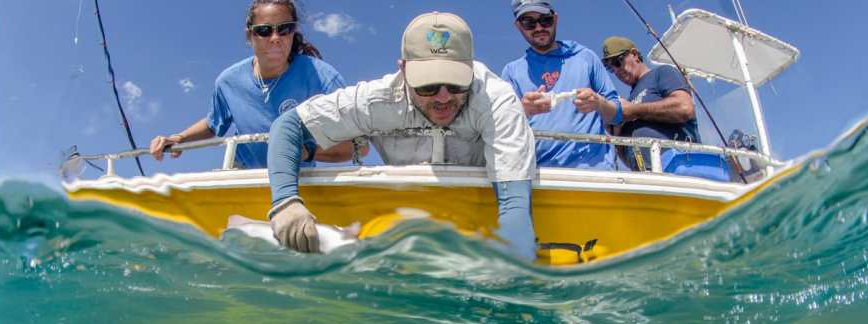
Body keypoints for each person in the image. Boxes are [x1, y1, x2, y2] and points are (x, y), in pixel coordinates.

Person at [266, 11, 538, 261]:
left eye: (455, 84)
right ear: (404, 69)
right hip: (404, 229)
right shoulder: (374, 99)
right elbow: (289, 126)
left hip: (478, 219)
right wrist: (285, 202)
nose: (443, 97)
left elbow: (514, 205)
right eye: (428, 86)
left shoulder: (497, 100)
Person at [149, 0, 352, 169]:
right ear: (249, 36)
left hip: (297, 178)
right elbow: (213, 124)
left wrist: (304, 152)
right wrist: (179, 138)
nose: (275, 39)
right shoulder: (228, 81)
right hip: (242, 174)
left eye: (284, 29)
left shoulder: (322, 77)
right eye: (264, 31)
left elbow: (355, 146)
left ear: (293, 31)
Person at [501, 0, 623, 169]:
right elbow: (502, 128)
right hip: (539, 174)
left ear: (555, 19)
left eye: (545, 20)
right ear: (518, 26)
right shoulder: (511, 72)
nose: (538, 28)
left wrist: (598, 103)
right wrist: (523, 110)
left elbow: (616, 115)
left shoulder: (586, 57)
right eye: (529, 22)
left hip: (595, 171)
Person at [601, 36, 701, 171]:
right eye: (610, 67)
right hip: (648, 178)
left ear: (634, 54)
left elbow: (685, 108)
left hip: (680, 168)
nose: (616, 70)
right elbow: (628, 160)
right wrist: (616, 134)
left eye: (617, 62)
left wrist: (633, 110)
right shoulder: (629, 101)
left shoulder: (662, 73)